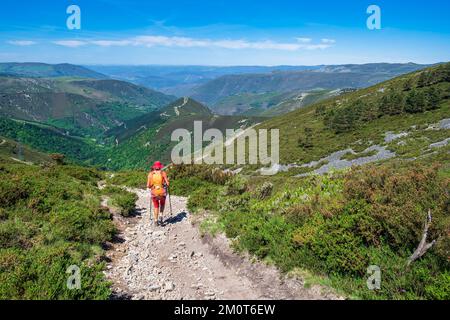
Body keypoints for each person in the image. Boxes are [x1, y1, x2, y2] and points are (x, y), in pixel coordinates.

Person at [147, 161, 170, 226]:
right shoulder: (163, 173)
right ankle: (161, 215)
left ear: (154, 167)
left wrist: (152, 186)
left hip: (154, 193)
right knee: (162, 204)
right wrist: (166, 182)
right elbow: (167, 184)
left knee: (156, 206)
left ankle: (156, 220)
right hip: (162, 192)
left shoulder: (150, 174)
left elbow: (148, 185)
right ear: (160, 167)